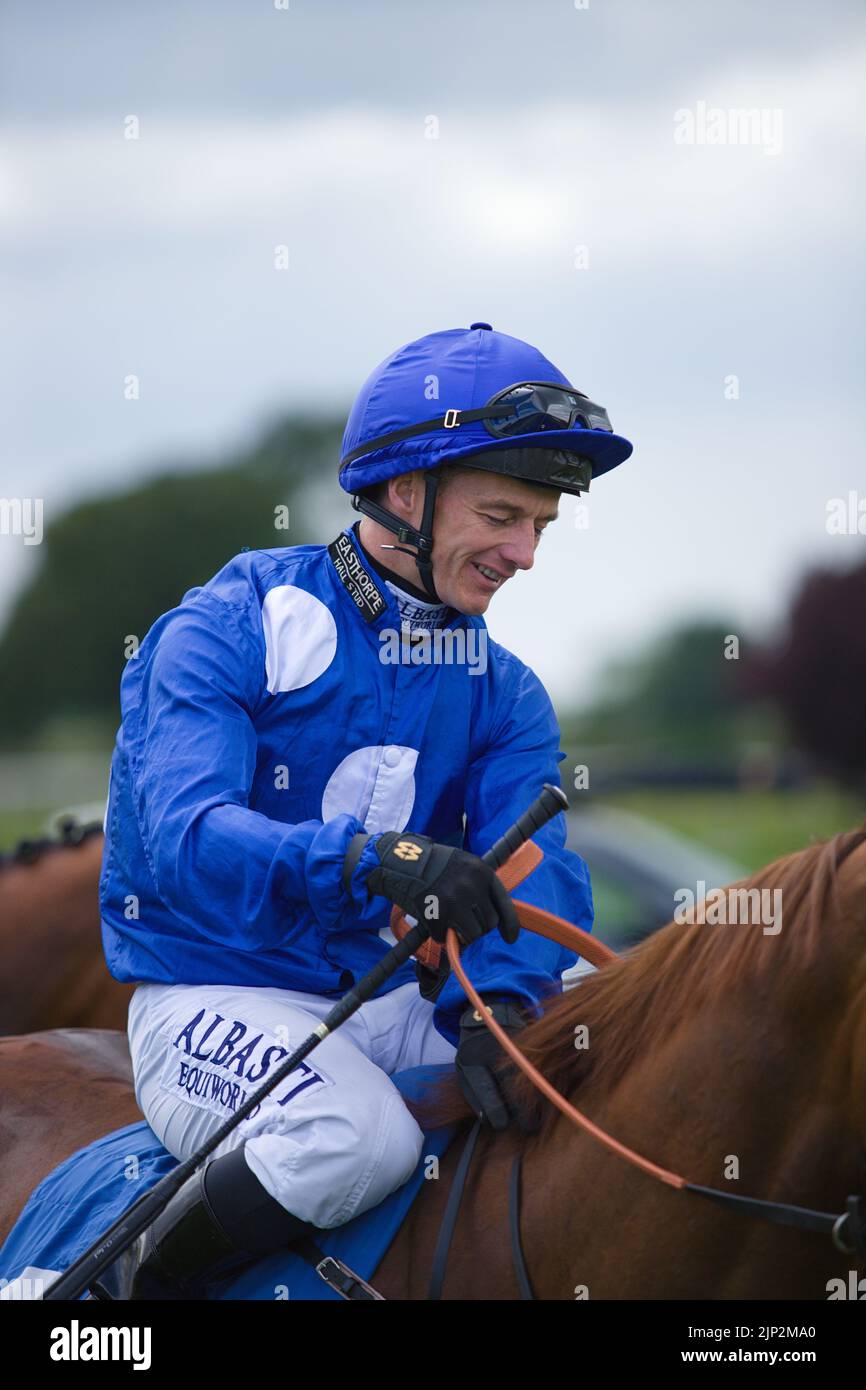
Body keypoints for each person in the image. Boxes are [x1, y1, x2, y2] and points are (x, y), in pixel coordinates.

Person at [96, 321, 632, 1298]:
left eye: (540, 527)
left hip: (388, 1001)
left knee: (592, 1080)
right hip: (213, 993)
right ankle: (130, 1292)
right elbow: (181, 837)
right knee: (356, 1141)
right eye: (503, 515)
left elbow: (532, 859)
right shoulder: (227, 626)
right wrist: (371, 860)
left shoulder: (505, 691)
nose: (523, 554)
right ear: (403, 492)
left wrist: (503, 1002)